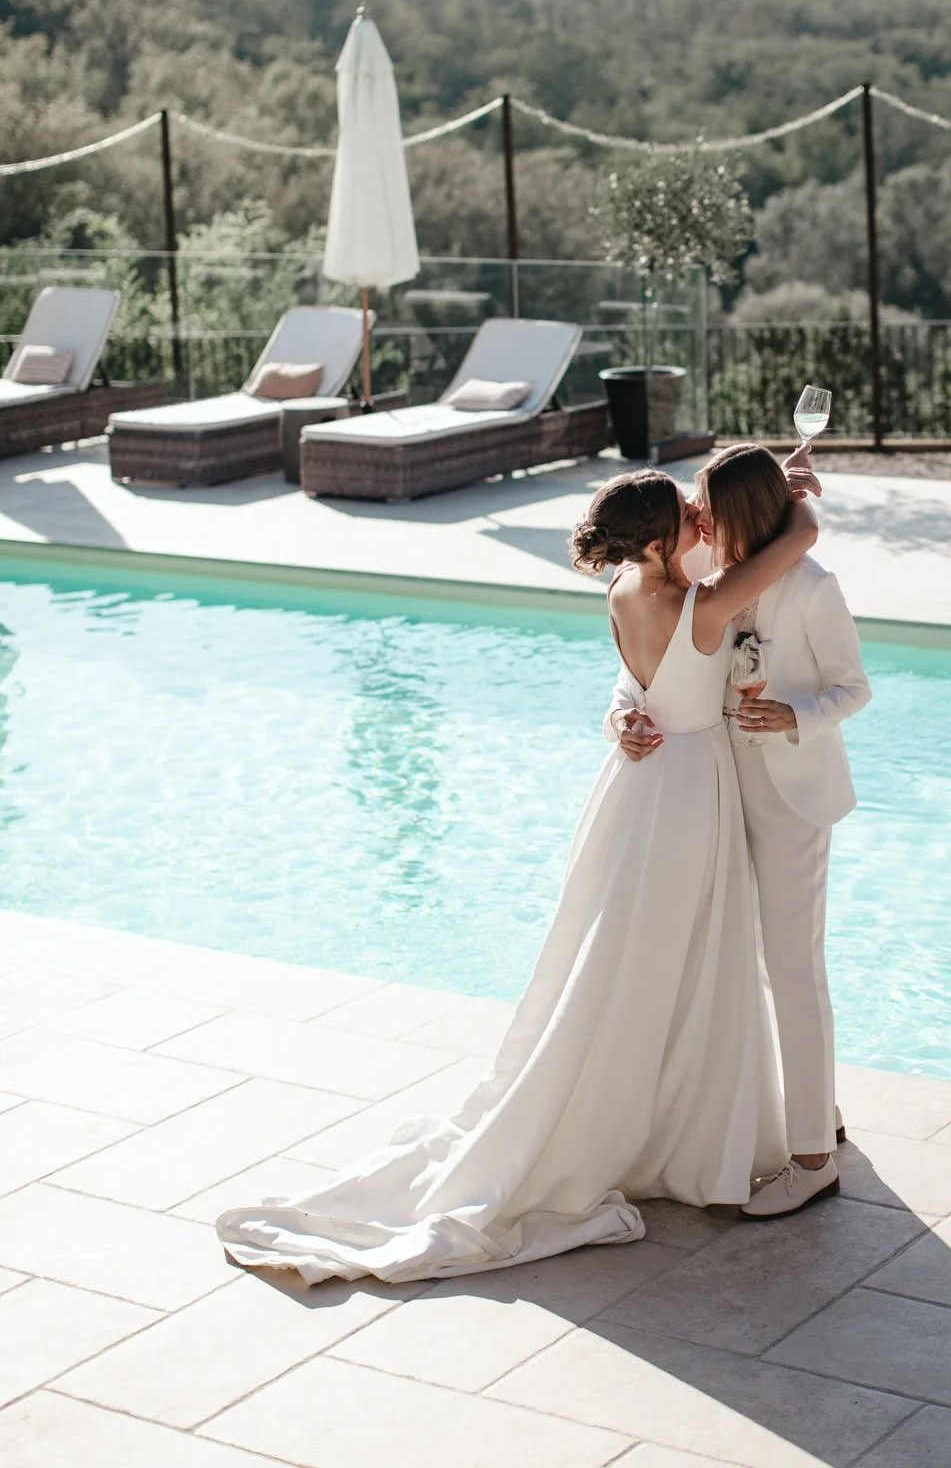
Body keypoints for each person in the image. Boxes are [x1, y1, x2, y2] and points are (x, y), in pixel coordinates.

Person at [216, 468, 818, 1286]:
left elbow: (632, 686)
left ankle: (657, 1109)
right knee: (683, 957)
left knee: (621, 958)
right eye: (685, 515)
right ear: (654, 543)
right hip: (687, 796)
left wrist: (621, 718)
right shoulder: (701, 607)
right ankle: (680, 1127)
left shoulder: (622, 590)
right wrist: (797, 494)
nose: (698, 519)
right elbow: (799, 542)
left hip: (636, 787)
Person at [608, 442, 870, 1220]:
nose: (698, 517)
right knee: (741, 964)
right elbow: (645, 668)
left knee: (792, 966)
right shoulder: (704, 576)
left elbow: (854, 687)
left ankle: (815, 1159)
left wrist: (799, 716)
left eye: (709, 507)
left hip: (789, 795)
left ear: (741, 515)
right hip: (715, 793)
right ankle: (813, 1111)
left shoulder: (813, 589)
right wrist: (621, 715)